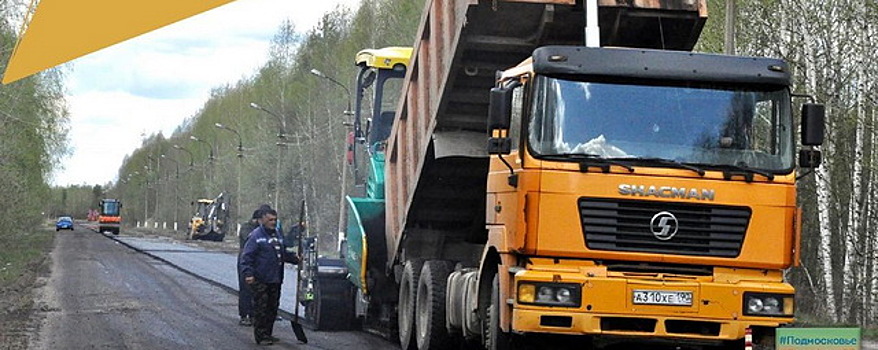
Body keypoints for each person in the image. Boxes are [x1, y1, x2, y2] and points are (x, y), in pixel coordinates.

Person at [239, 209, 299, 345]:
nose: (273, 222)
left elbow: (282, 253)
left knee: (272, 308)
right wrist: (248, 274)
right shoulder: (256, 236)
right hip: (261, 279)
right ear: (263, 220)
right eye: (270, 220)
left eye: (275, 220)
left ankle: (268, 333)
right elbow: (247, 257)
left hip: (275, 278)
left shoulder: (277, 235)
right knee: (261, 308)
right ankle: (261, 336)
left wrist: (294, 258)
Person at [237, 204, 272, 327]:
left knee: (258, 290)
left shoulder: (265, 230)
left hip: (259, 262)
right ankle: (244, 315)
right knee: (246, 288)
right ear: (259, 218)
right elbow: (250, 240)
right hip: (246, 260)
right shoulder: (247, 228)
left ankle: (254, 315)